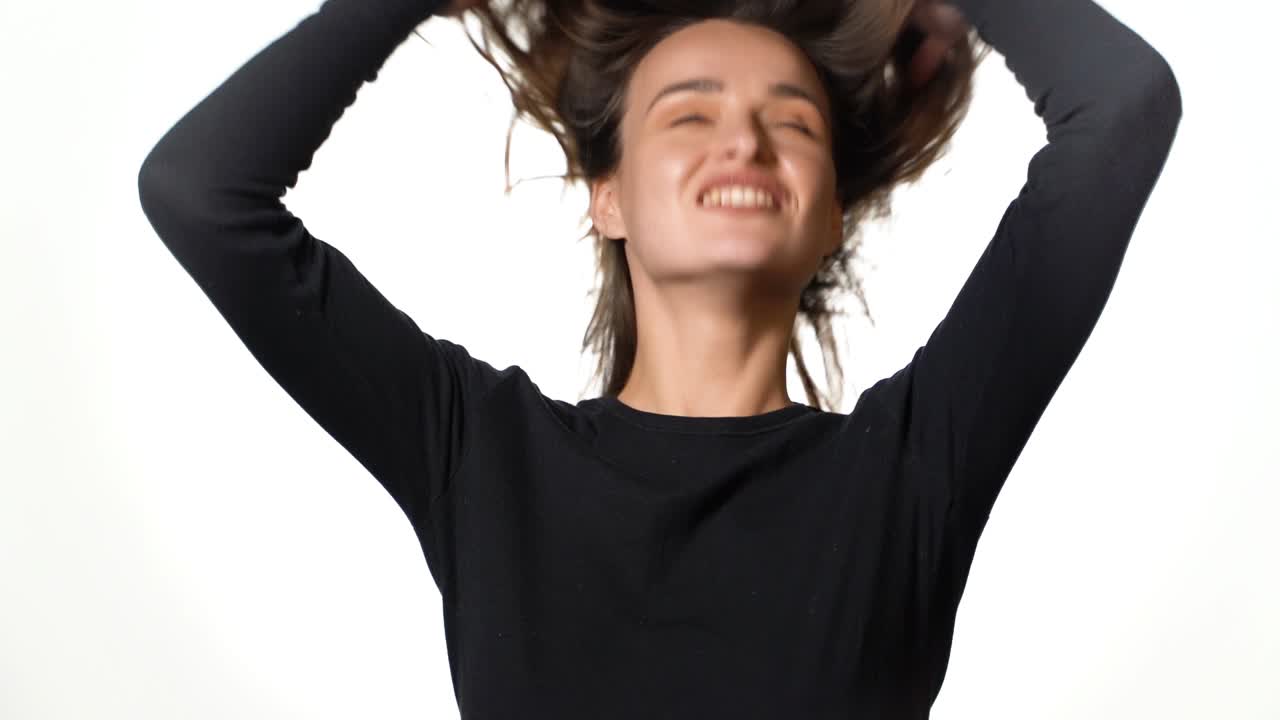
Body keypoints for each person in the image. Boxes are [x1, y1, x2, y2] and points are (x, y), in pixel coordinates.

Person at [137, 0, 1181, 716]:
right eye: (689, 113)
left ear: (829, 216)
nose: (744, 142)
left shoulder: (911, 470)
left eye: (792, 122)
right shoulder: (477, 454)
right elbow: (199, 193)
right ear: (609, 198)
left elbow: (1122, 108)